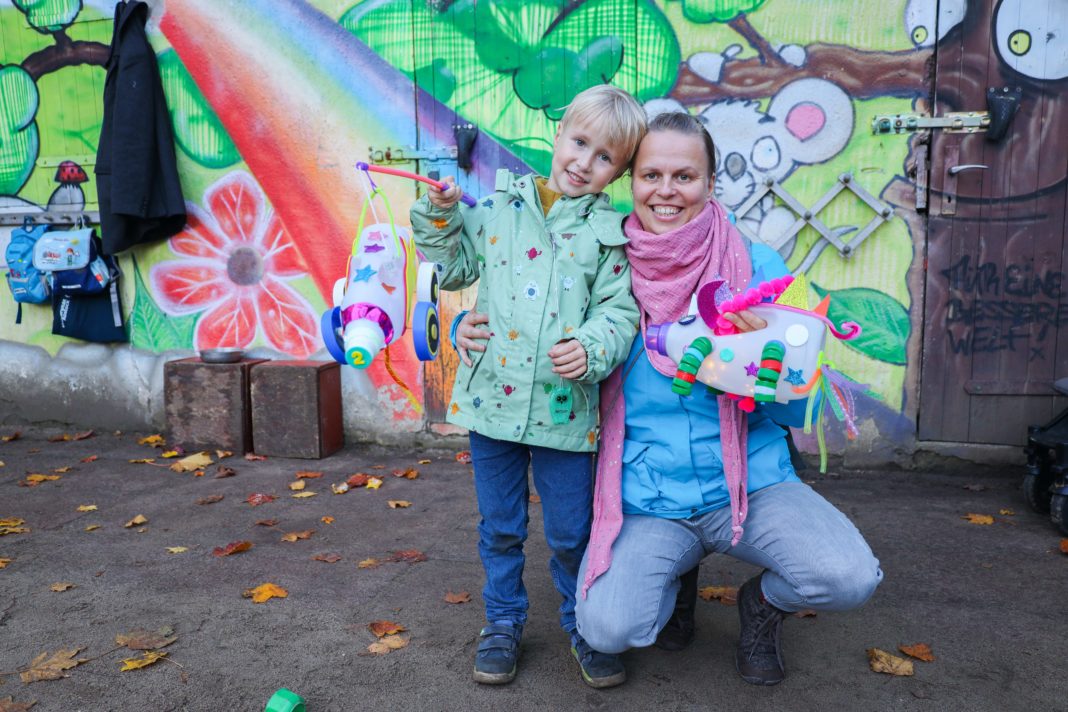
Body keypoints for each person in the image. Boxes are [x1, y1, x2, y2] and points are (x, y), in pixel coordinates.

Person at [455, 111, 883, 687]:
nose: (666, 191)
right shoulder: (606, 260)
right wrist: (465, 326)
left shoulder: (758, 270)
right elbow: (524, 306)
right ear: (632, 181)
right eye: (652, 174)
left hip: (751, 485)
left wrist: (763, 362)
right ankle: (676, 581)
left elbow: (800, 408)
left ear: (710, 184)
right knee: (609, 629)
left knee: (848, 577)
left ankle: (763, 606)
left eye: (685, 176)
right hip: (650, 498)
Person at [410, 85, 646, 688]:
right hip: (493, 403)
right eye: (578, 142)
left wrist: (591, 347)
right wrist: (440, 214)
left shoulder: (610, 236)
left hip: (566, 412)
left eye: (604, 158)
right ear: (558, 132)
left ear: (619, 171)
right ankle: (503, 622)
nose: (583, 162)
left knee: (572, 531)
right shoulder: (498, 208)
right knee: (501, 525)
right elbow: (456, 265)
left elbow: (619, 315)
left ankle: (582, 623)